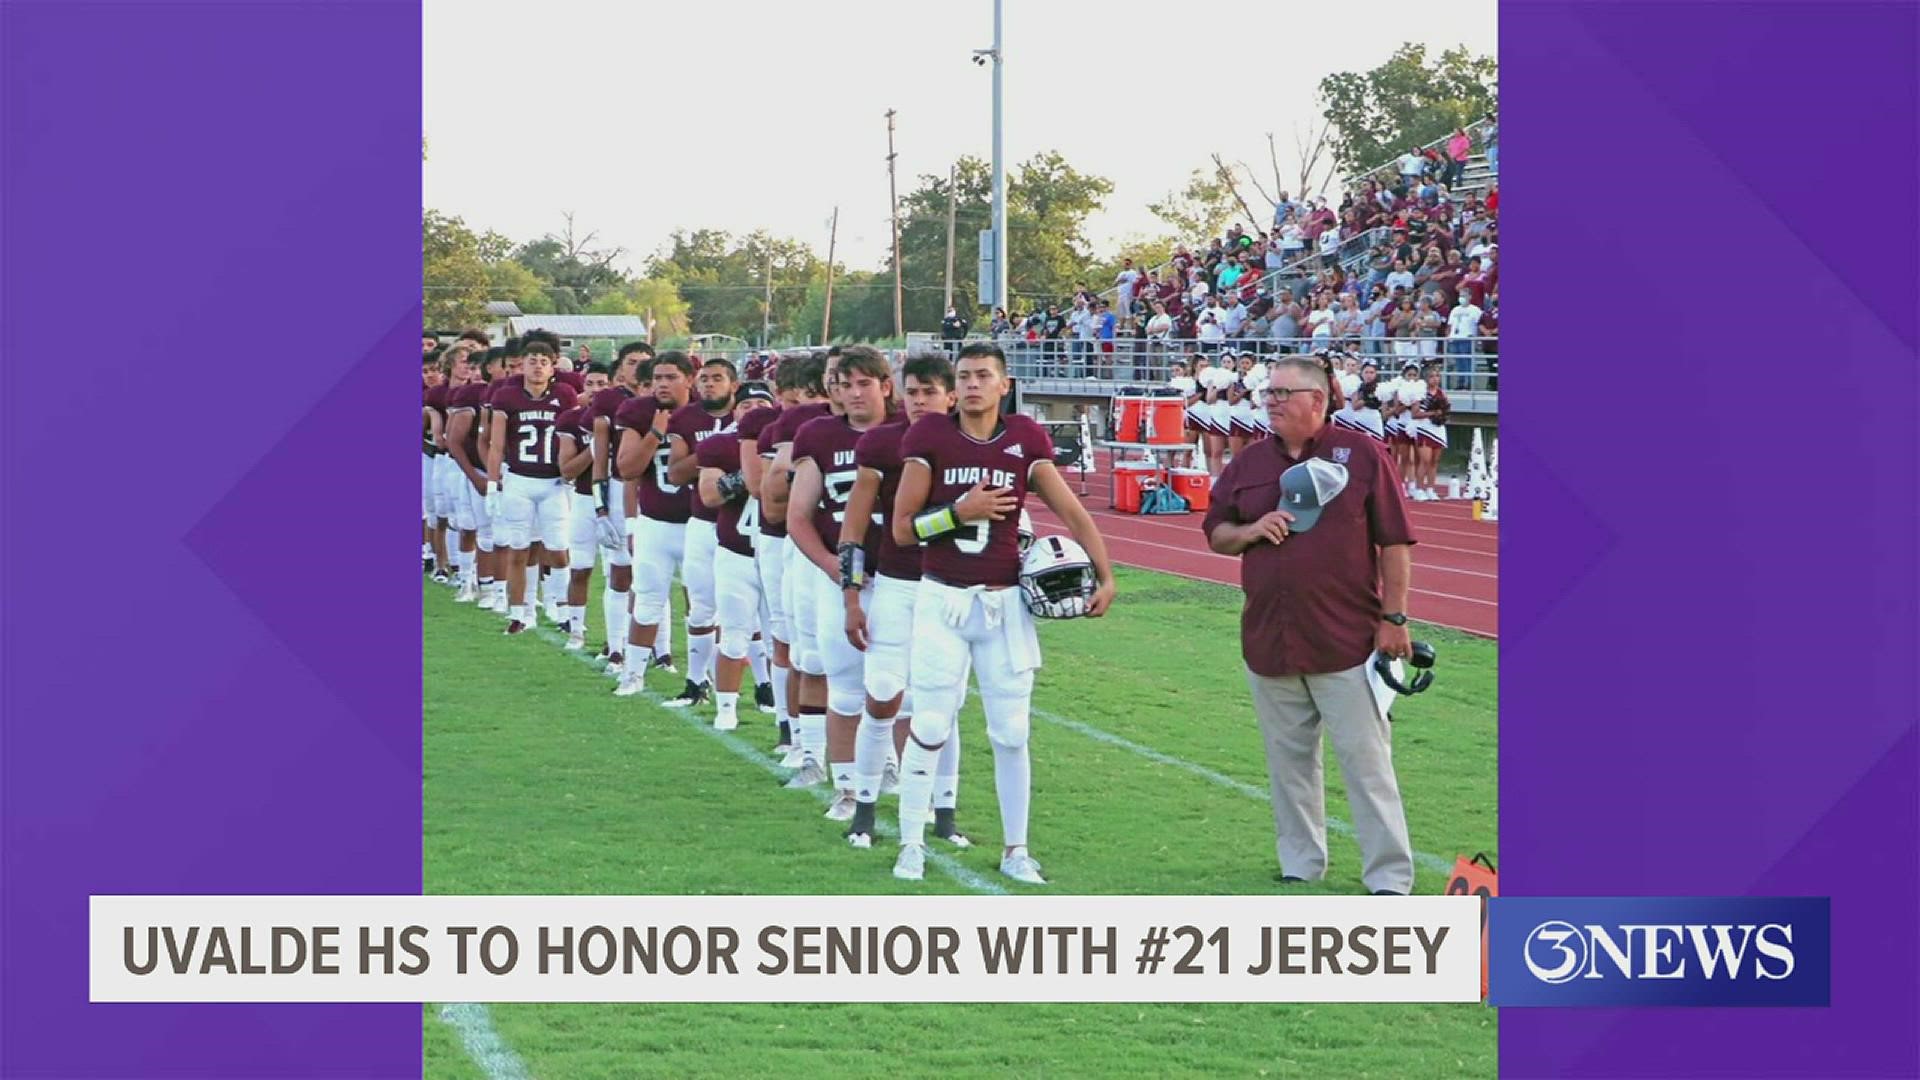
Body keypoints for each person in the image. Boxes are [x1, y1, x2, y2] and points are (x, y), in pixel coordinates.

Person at [888, 342, 1117, 885]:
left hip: (1004, 602)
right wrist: (956, 513)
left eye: (982, 375)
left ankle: (1017, 849)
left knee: (1012, 732)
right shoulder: (928, 436)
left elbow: (1073, 512)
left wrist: (1106, 575)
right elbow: (902, 529)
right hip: (943, 596)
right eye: (963, 376)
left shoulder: (1026, 439)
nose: (971, 384)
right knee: (931, 722)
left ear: (1003, 383)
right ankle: (911, 841)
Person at [1201, 356, 1418, 896]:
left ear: (1317, 399)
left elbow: (1394, 541)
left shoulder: (1364, 455)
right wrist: (1252, 529)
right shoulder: (1248, 463)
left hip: (1345, 638)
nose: (1270, 401)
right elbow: (1216, 533)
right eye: (1267, 393)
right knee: (1288, 767)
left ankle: (1389, 879)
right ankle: (1301, 865)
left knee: (1368, 768)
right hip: (1270, 638)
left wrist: (1394, 618)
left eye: (1281, 393)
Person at [611, 352, 697, 694]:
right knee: (647, 600)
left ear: (689, 379)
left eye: (671, 377)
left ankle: (700, 679)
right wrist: (654, 435)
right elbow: (627, 469)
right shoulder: (639, 412)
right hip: (656, 521)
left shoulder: (703, 414)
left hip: (699, 524)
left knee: (703, 606)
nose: (662, 383)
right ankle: (632, 675)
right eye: (657, 377)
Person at [696, 382, 780, 731]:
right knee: (733, 635)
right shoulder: (719, 445)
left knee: (784, 641)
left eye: (762, 402)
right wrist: (749, 474)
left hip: (778, 553)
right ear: (735, 410)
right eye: (747, 404)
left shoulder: (789, 444)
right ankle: (726, 709)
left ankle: (787, 715)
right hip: (737, 552)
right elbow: (709, 495)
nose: (755, 409)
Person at [659, 357, 741, 708]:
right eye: (705, 378)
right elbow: (676, 473)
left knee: (748, 612)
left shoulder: (761, 425)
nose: (709, 384)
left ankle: (764, 687)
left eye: (718, 378)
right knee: (701, 606)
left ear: (733, 385)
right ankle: (695, 682)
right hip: (704, 521)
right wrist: (713, 451)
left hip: (744, 527)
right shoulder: (686, 419)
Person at [485, 342, 578, 635]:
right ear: (522, 365)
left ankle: (560, 608)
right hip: (519, 479)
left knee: (559, 549)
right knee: (518, 549)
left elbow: (571, 435)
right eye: (532, 361)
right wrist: (491, 483)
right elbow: (497, 444)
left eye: (543, 361)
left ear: (553, 368)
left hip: (554, 482)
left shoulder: (564, 394)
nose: (538, 366)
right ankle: (520, 612)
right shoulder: (506, 396)